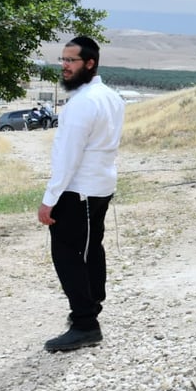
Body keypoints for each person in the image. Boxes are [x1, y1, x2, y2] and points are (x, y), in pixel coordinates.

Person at [37, 36, 125, 352]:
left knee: (69, 258)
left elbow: (68, 157)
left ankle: (86, 324)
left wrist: (49, 199)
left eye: (71, 61)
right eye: (63, 60)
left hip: (79, 192)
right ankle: (91, 306)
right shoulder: (110, 97)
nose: (65, 66)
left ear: (90, 63)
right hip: (96, 188)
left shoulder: (84, 102)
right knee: (90, 250)